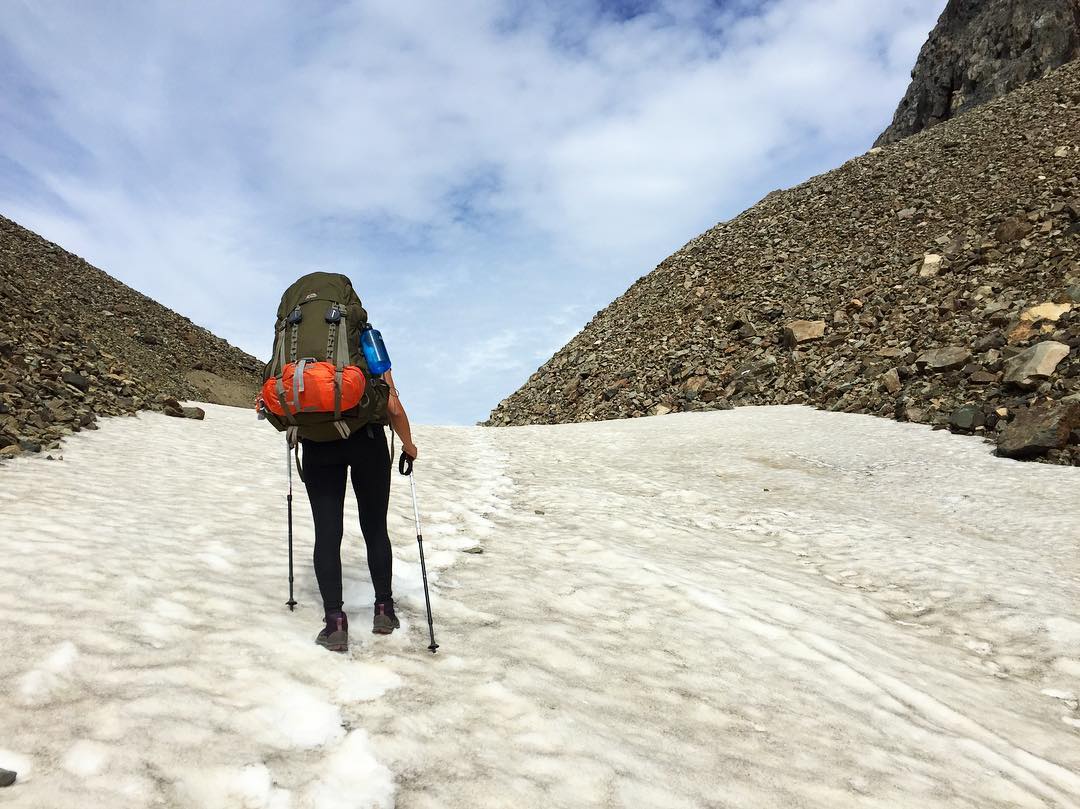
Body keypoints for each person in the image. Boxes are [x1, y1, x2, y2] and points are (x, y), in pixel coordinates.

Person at [301, 365, 418, 652]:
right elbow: (393, 405)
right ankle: (384, 611)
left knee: (327, 533)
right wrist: (408, 445)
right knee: (375, 527)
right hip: (367, 440)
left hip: (318, 443)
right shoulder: (367, 339)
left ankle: (334, 624)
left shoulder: (298, 336)